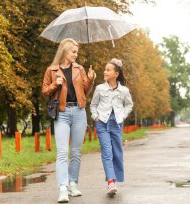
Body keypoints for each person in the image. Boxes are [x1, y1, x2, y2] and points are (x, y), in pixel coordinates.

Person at [42, 38, 96, 203]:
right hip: (62, 113)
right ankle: (63, 188)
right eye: (74, 52)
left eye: (77, 52)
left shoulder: (80, 69)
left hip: (79, 112)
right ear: (65, 51)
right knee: (62, 152)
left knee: (76, 152)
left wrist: (91, 79)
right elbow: (44, 91)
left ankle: (73, 183)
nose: (76, 54)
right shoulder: (51, 70)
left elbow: (85, 91)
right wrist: (54, 85)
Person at [90, 58, 133, 195]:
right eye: (105, 69)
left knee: (117, 153)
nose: (105, 72)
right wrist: (94, 115)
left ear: (116, 74)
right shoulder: (99, 88)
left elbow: (129, 105)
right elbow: (93, 105)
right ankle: (111, 182)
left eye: (108, 70)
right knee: (107, 152)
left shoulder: (124, 91)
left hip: (116, 123)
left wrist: (123, 116)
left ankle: (115, 179)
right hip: (102, 123)